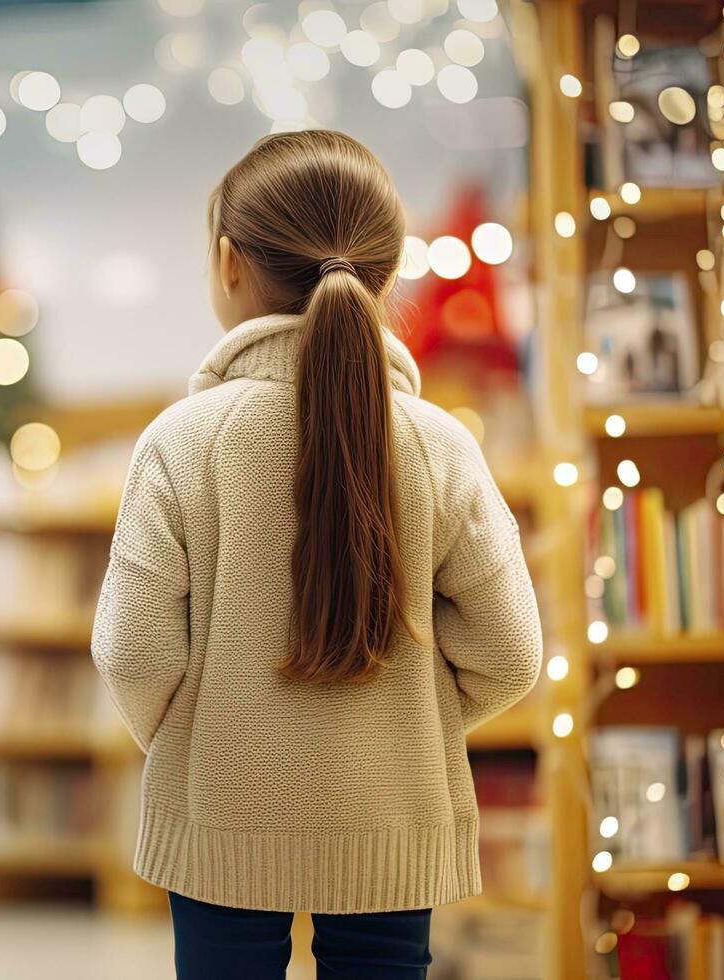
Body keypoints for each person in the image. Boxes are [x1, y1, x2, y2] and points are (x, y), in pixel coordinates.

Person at [90, 130, 542, 980]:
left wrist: (197, 735)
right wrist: (413, 729)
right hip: (394, 818)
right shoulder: (441, 444)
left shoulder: (181, 442)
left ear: (228, 263)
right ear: (384, 271)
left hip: (217, 815)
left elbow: (134, 650)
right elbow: (510, 655)